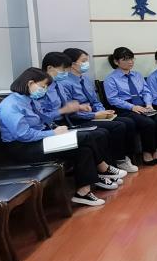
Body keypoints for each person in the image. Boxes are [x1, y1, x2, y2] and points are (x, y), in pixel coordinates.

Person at [0, 67, 119, 206]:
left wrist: (61, 117)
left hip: (40, 139)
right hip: (23, 148)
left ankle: (83, 192)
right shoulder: (10, 105)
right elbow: (24, 135)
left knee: (83, 149)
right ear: (30, 83)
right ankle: (103, 168)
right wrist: (53, 133)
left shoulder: (29, 99)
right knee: (86, 137)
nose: (44, 90)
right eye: (43, 86)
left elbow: (44, 117)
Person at [37, 52, 128, 184]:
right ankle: (103, 171)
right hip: (55, 127)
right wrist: (64, 110)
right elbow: (42, 116)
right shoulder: (41, 90)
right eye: (63, 70)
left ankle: (104, 173)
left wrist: (79, 107)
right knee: (96, 135)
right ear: (50, 68)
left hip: (65, 123)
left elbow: (68, 106)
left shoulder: (58, 85)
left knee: (102, 133)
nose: (66, 73)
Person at [61, 47, 140, 174]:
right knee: (118, 126)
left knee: (129, 122)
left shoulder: (85, 79)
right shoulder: (64, 83)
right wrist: (95, 115)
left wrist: (103, 112)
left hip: (95, 114)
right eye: (83, 61)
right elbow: (71, 111)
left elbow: (95, 101)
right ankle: (116, 161)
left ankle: (125, 157)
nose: (87, 64)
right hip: (80, 119)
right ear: (73, 64)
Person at [103, 46, 157, 166]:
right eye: (126, 59)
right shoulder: (111, 79)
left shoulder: (137, 75)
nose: (130, 62)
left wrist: (148, 104)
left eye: (132, 58)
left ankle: (156, 150)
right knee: (148, 123)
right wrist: (132, 107)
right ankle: (147, 153)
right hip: (124, 108)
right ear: (116, 61)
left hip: (142, 105)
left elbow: (146, 91)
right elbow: (113, 99)